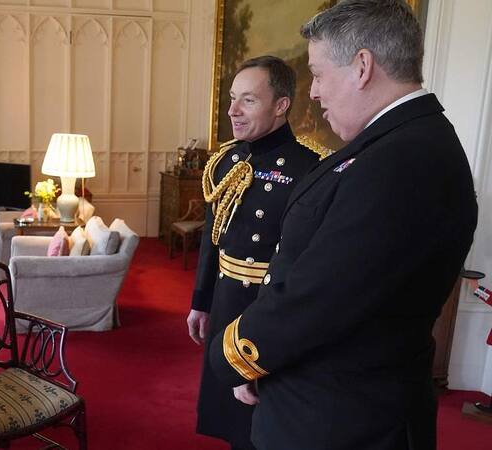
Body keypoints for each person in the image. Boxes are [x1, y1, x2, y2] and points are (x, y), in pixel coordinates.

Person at [207, 1, 478, 449]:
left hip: (341, 420)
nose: (313, 92)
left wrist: (232, 354)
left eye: (318, 73)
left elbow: (320, 296)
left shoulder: (400, 162)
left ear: (362, 66)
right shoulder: (399, 143)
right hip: (329, 404)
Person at [186, 56, 321, 449]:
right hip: (226, 300)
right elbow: (213, 238)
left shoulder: (308, 167)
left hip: (268, 308)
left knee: (262, 419)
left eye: (248, 100)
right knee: (228, 413)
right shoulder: (226, 160)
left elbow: (301, 264)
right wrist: (201, 302)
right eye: (232, 98)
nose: (233, 110)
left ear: (281, 106)